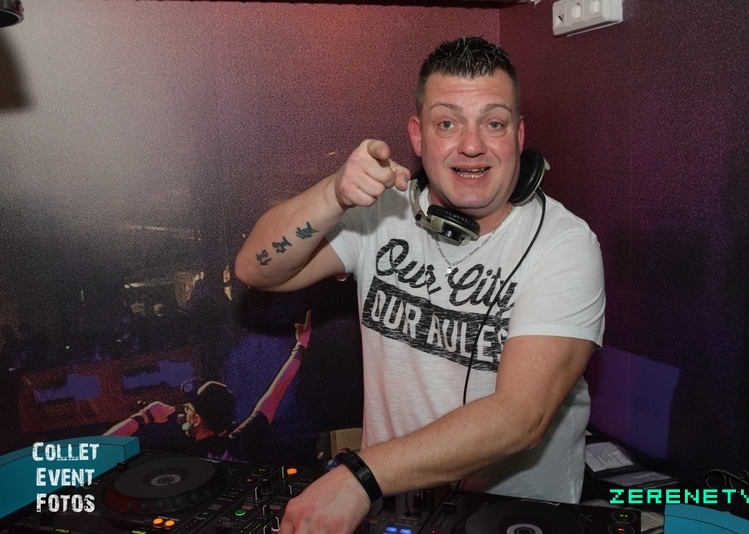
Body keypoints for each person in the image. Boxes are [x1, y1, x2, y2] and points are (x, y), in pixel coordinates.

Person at [234, 37, 605, 534]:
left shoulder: (564, 244)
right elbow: (256, 269)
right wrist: (333, 193)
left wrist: (359, 478)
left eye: (493, 123)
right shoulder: (380, 215)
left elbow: (521, 416)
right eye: (447, 123)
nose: (471, 145)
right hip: (395, 509)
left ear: (518, 136)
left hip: (514, 519)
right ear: (417, 135)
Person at [106, 310, 313, 462]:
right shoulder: (242, 443)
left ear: (196, 419)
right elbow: (274, 396)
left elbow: (99, 452)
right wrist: (300, 347)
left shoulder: (177, 453)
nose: (184, 411)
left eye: (189, 409)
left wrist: (145, 416)